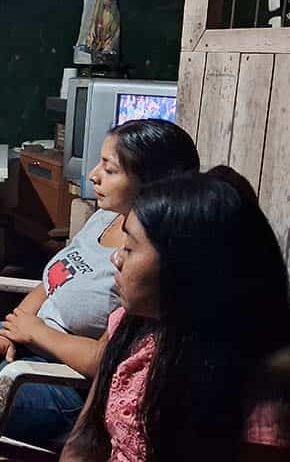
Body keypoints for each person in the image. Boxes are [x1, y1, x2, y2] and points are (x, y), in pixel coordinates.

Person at [0, 119, 200, 461]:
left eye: (109, 170)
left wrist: (33, 333)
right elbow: (54, 281)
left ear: (150, 182)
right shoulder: (106, 216)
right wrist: (9, 332)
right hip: (30, 340)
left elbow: (109, 360)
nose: (93, 175)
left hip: (63, 382)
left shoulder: (144, 260)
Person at [61, 168, 290, 462]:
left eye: (129, 248)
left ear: (184, 266)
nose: (116, 258)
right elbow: (84, 441)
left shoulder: (260, 397)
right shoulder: (131, 325)